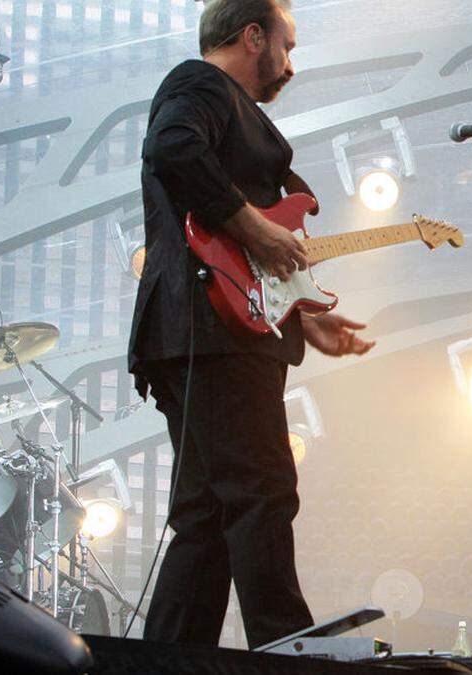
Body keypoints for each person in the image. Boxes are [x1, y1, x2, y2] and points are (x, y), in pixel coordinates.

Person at [130, 0, 373, 648]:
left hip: (208, 327)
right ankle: (286, 643)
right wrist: (257, 227)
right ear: (252, 35)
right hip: (212, 326)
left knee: (207, 512)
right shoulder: (199, 84)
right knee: (262, 487)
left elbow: (257, 248)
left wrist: (306, 318)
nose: (290, 65)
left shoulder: (241, 123)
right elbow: (173, 148)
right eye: (286, 47)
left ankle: (168, 659)